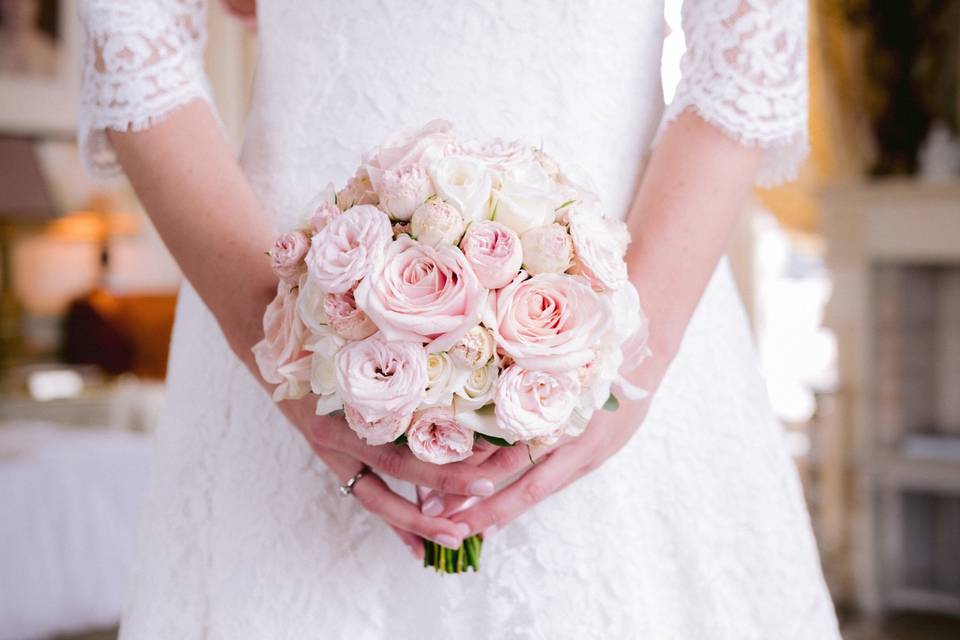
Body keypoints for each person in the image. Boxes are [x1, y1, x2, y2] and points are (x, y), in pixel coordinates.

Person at [77, 0, 841, 637]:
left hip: (633, 287)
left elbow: (745, 63)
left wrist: (627, 367)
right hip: (288, 291)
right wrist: (275, 341)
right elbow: (134, 46)